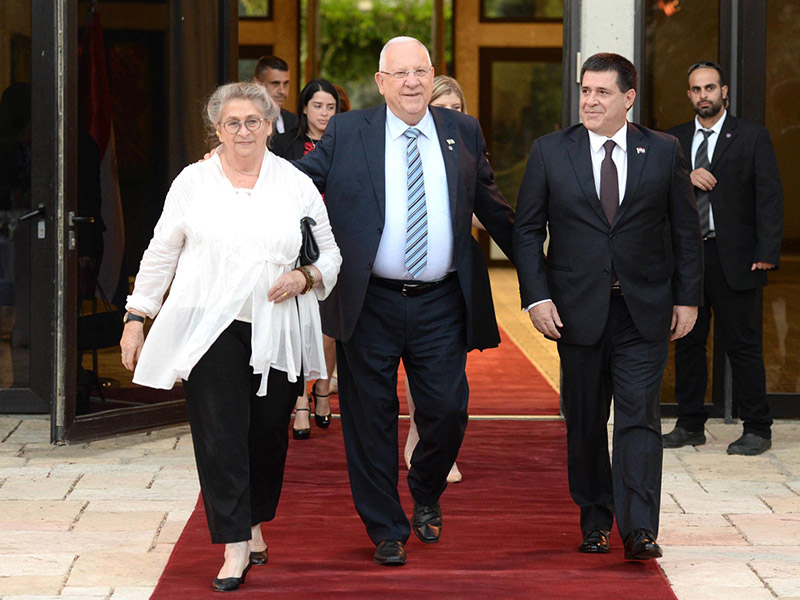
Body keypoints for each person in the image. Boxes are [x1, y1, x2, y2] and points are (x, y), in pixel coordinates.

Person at [292, 36, 515, 566]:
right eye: (401, 73)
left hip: (441, 300)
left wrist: (547, 276)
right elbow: (296, 184)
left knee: (446, 410)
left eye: (421, 71)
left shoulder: (462, 132)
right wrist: (235, 165)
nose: (413, 82)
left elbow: (497, 209)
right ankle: (385, 526)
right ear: (381, 82)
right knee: (369, 419)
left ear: (432, 74)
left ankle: (426, 487)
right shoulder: (348, 132)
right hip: (369, 299)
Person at [119, 81, 340, 591]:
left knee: (265, 433)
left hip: (277, 326)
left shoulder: (295, 182)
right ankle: (235, 543)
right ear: (216, 129)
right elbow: (161, 252)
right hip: (209, 324)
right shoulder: (193, 182)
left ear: (269, 125)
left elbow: (330, 253)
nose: (243, 131)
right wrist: (137, 317)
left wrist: (305, 276)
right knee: (220, 435)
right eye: (231, 123)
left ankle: (255, 516)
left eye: (253, 122)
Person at [513, 53, 703, 560]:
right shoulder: (551, 151)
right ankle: (595, 519)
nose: (590, 101)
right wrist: (536, 295)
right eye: (585, 91)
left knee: (639, 418)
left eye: (601, 92)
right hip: (575, 313)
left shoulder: (662, 150)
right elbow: (528, 230)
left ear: (629, 97)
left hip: (643, 311)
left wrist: (687, 297)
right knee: (585, 420)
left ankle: (640, 529)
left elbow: (685, 231)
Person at [662, 61, 784, 456]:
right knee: (688, 342)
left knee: (742, 344)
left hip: (736, 258)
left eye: (710, 88)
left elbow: (769, 196)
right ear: (689, 95)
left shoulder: (751, 136)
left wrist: (766, 251)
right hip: (688, 259)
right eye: (696, 90)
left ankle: (757, 428)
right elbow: (654, 193)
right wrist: (686, 176)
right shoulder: (674, 141)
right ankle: (690, 424)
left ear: (724, 91)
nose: (703, 96)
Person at [403, 74, 471, 484]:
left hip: (453, 282)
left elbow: (486, 205)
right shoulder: (415, 148)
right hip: (404, 281)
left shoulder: (467, 146)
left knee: (448, 377)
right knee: (417, 371)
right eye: (440, 108)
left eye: (455, 109)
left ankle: (440, 441)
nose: (448, 116)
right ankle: (416, 433)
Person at [272, 78, 340, 439]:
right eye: (318, 106)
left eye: (330, 107)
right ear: (304, 108)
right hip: (296, 242)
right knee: (300, 322)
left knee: (329, 323)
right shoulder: (286, 144)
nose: (324, 114)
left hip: (334, 240)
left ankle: (324, 389)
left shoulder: (345, 141)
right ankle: (300, 399)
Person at [254, 55, 297, 134]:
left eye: (286, 83)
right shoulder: (246, 122)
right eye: (275, 83)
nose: (282, 91)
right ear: (258, 84)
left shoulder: (295, 123)